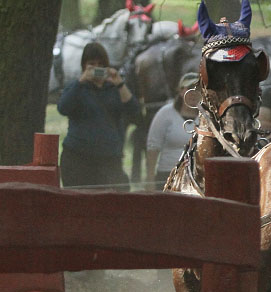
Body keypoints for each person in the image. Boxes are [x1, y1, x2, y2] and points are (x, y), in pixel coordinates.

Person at [57, 42, 139, 190]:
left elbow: (134, 110)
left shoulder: (114, 88)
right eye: (92, 64)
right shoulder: (77, 87)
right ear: (84, 66)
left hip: (109, 159)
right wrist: (81, 81)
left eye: (101, 64)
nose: (97, 68)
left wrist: (119, 83)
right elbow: (63, 108)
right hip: (78, 157)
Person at [146, 71, 199, 188]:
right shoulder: (165, 113)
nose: (194, 93)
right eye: (189, 88)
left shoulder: (207, 117)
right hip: (168, 174)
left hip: (197, 176)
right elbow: (153, 147)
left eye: (197, 89)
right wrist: (150, 179)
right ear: (181, 91)